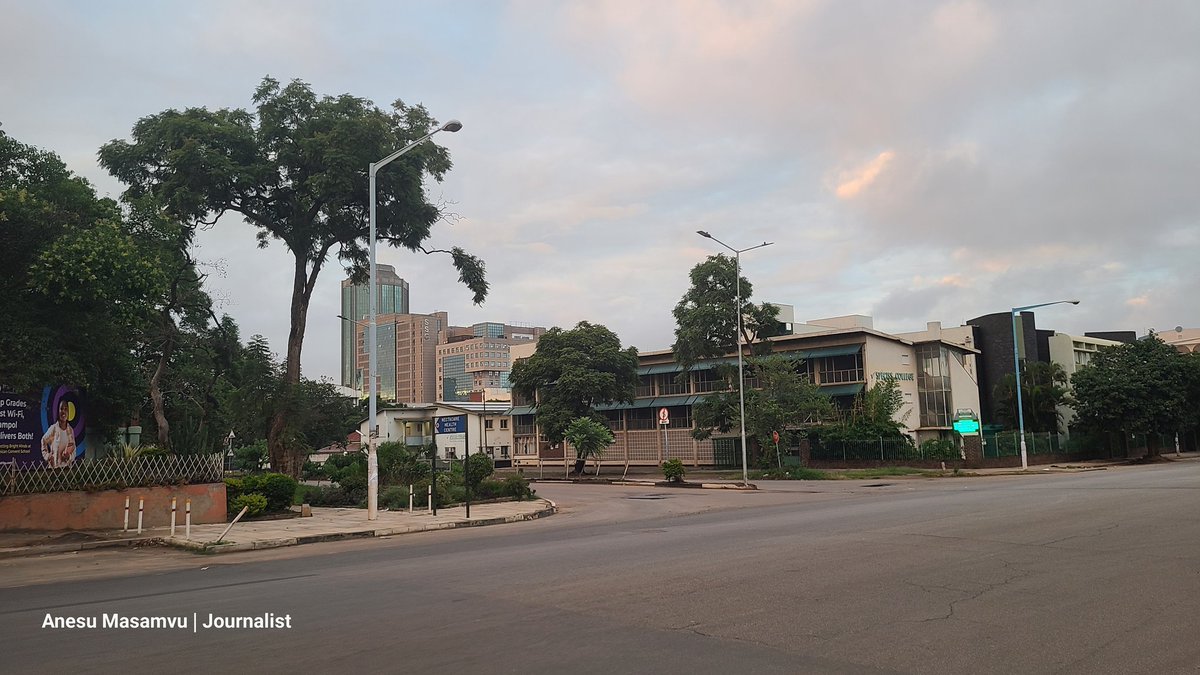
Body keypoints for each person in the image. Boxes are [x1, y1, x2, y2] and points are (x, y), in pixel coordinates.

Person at [41, 400, 77, 468]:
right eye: (61, 409)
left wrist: (69, 456)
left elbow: (74, 451)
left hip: (67, 469)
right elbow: (43, 440)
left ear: (68, 412)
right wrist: (47, 456)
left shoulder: (70, 430)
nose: (63, 411)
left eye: (66, 409)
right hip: (54, 469)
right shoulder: (53, 428)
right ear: (58, 411)